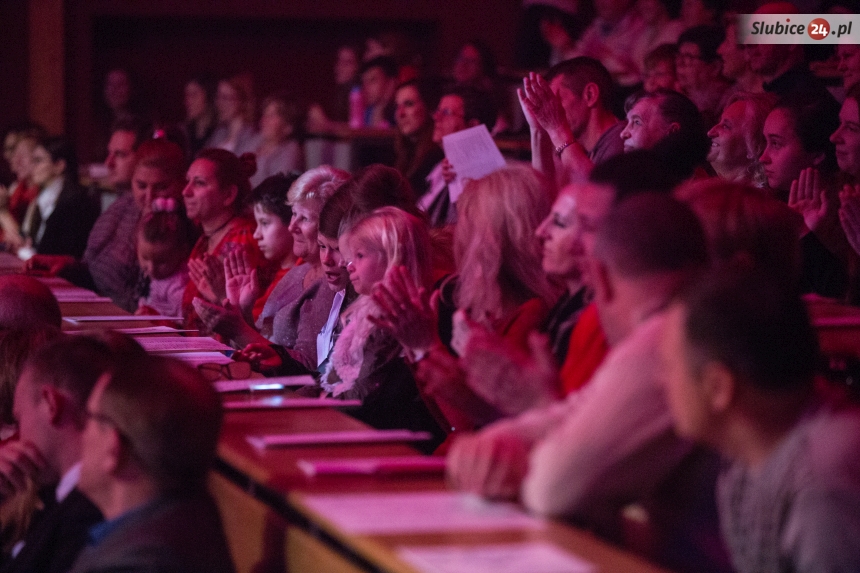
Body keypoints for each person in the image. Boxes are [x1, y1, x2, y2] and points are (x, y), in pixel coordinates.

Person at [446, 194, 721, 572]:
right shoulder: (681, 324)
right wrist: (494, 445)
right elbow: (573, 413)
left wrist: (504, 462)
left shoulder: (664, 337)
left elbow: (553, 488)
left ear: (599, 278)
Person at [661, 268, 860, 573]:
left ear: (718, 387)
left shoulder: (822, 489)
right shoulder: (748, 459)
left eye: (668, 366)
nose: (661, 380)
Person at [375, 164, 556, 431]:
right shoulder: (491, 308)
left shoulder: (531, 315)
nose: (456, 233)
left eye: (466, 223)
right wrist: (418, 347)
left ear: (492, 241)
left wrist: (426, 346)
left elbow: (470, 425)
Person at [69, 354, 235, 573]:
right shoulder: (191, 518)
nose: (81, 433)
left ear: (113, 448)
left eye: (88, 417)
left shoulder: (134, 565)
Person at [0, 335, 141, 573]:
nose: (17, 438)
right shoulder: (57, 498)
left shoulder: (87, 518)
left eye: (19, 419)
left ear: (51, 404)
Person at [319, 207, 442, 442]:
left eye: (360, 256)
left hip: (384, 439)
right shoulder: (363, 311)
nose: (348, 265)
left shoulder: (397, 317)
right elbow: (333, 379)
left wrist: (318, 405)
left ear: (393, 257)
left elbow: (366, 393)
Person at [27, 138, 187, 312]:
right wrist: (68, 264)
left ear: (181, 184)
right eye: (141, 186)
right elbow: (94, 272)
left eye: (161, 187)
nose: (149, 196)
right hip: (99, 306)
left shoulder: (181, 227)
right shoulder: (123, 207)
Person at [181, 148, 265, 332]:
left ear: (228, 195)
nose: (185, 191)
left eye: (199, 183)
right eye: (187, 181)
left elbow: (238, 323)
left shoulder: (242, 239)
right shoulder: (207, 237)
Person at [519, 57, 625, 188]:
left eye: (554, 101)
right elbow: (544, 193)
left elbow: (595, 192)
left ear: (590, 95)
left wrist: (557, 129)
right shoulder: (577, 148)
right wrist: (537, 130)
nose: (548, 109)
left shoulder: (621, 138)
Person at [419, 85, 497, 227]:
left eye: (446, 112)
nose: (436, 117)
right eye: (437, 111)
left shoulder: (491, 183)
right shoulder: (438, 169)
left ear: (472, 126)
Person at [18, 136, 98, 261]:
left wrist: (24, 251)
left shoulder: (75, 203)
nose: (32, 167)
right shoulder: (42, 198)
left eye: (38, 160)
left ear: (59, 165)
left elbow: (58, 254)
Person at [620, 89, 710, 179]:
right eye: (628, 122)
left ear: (673, 132)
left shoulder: (695, 186)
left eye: (637, 122)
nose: (623, 134)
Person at [136, 205, 197, 317]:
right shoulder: (159, 275)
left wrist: (155, 318)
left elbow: (186, 323)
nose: (151, 268)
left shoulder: (177, 289)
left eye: (161, 262)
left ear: (182, 252)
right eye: (145, 258)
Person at [707, 92, 776, 186]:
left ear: (754, 146)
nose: (710, 132)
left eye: (726, 126)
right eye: (719, 122)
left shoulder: (755, 196)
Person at [393, 79, 444, 199]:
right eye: (397, 106)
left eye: (409, 104)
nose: (400, 113)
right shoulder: (404, 153)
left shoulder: (437, 157)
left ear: (429, 108)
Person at [674, 25, 732, 128]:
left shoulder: (729, 103)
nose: (680, 63)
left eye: (689, 58)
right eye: (679, 56)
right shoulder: (679, 98)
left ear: (715, 67)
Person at [249, 93, 304, 189]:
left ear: (288, 126)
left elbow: (275, 190)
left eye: (272, 115)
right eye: (264, 114)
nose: (264, 120)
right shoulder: (254, 141)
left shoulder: (291, 151)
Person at [207, 75, 258, 156]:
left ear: (241, 100)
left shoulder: (252, 136)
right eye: (218, 97)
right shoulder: (218, 134)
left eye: (225, 98)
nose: (219, 103)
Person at [182, 75, 218, 159]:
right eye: (186, 95)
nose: (188, 101)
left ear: (208, 96)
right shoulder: (184, 133)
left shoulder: (218, 133)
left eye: (194, 95)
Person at [359, 56, 399, 129]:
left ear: (391, 83)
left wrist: (382, 106)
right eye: (363, 82)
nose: (365, 87)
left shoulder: (400, 113)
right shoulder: (366, 113)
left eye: (372, 80)